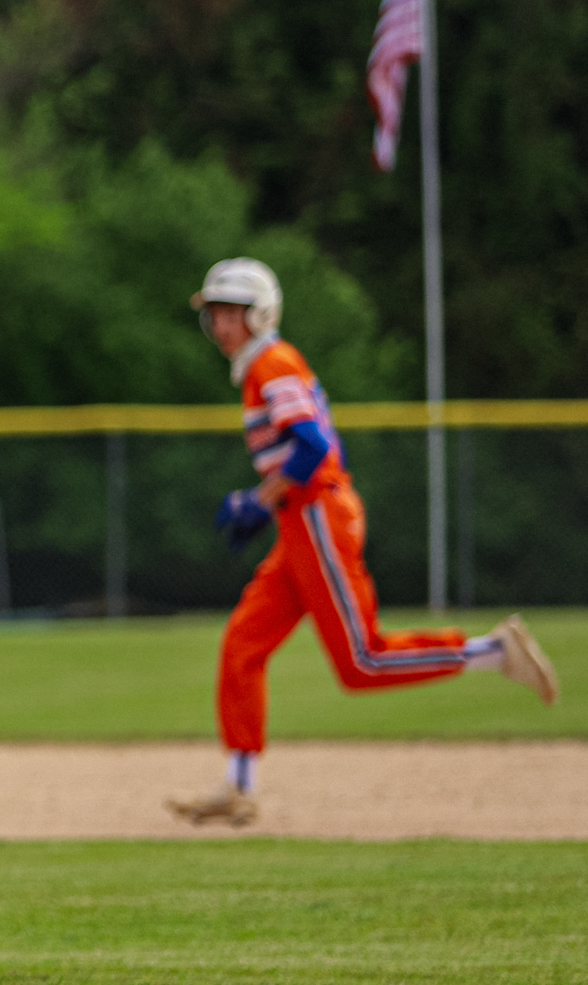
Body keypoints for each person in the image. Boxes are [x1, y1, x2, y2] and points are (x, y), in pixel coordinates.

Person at [170, 258, 558, 827]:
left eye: (232, 313)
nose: (222, 326)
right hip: (303, 521)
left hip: (319, 517)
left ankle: (495, 652)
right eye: (216, 316)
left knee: (362, 662)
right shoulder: (264, 366)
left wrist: (261, 499)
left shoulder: (272, 362)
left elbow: (312, 448)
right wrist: (271, 500)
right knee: (243, 646)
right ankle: (239, 785)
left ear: (261, 315)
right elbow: (313, 449)